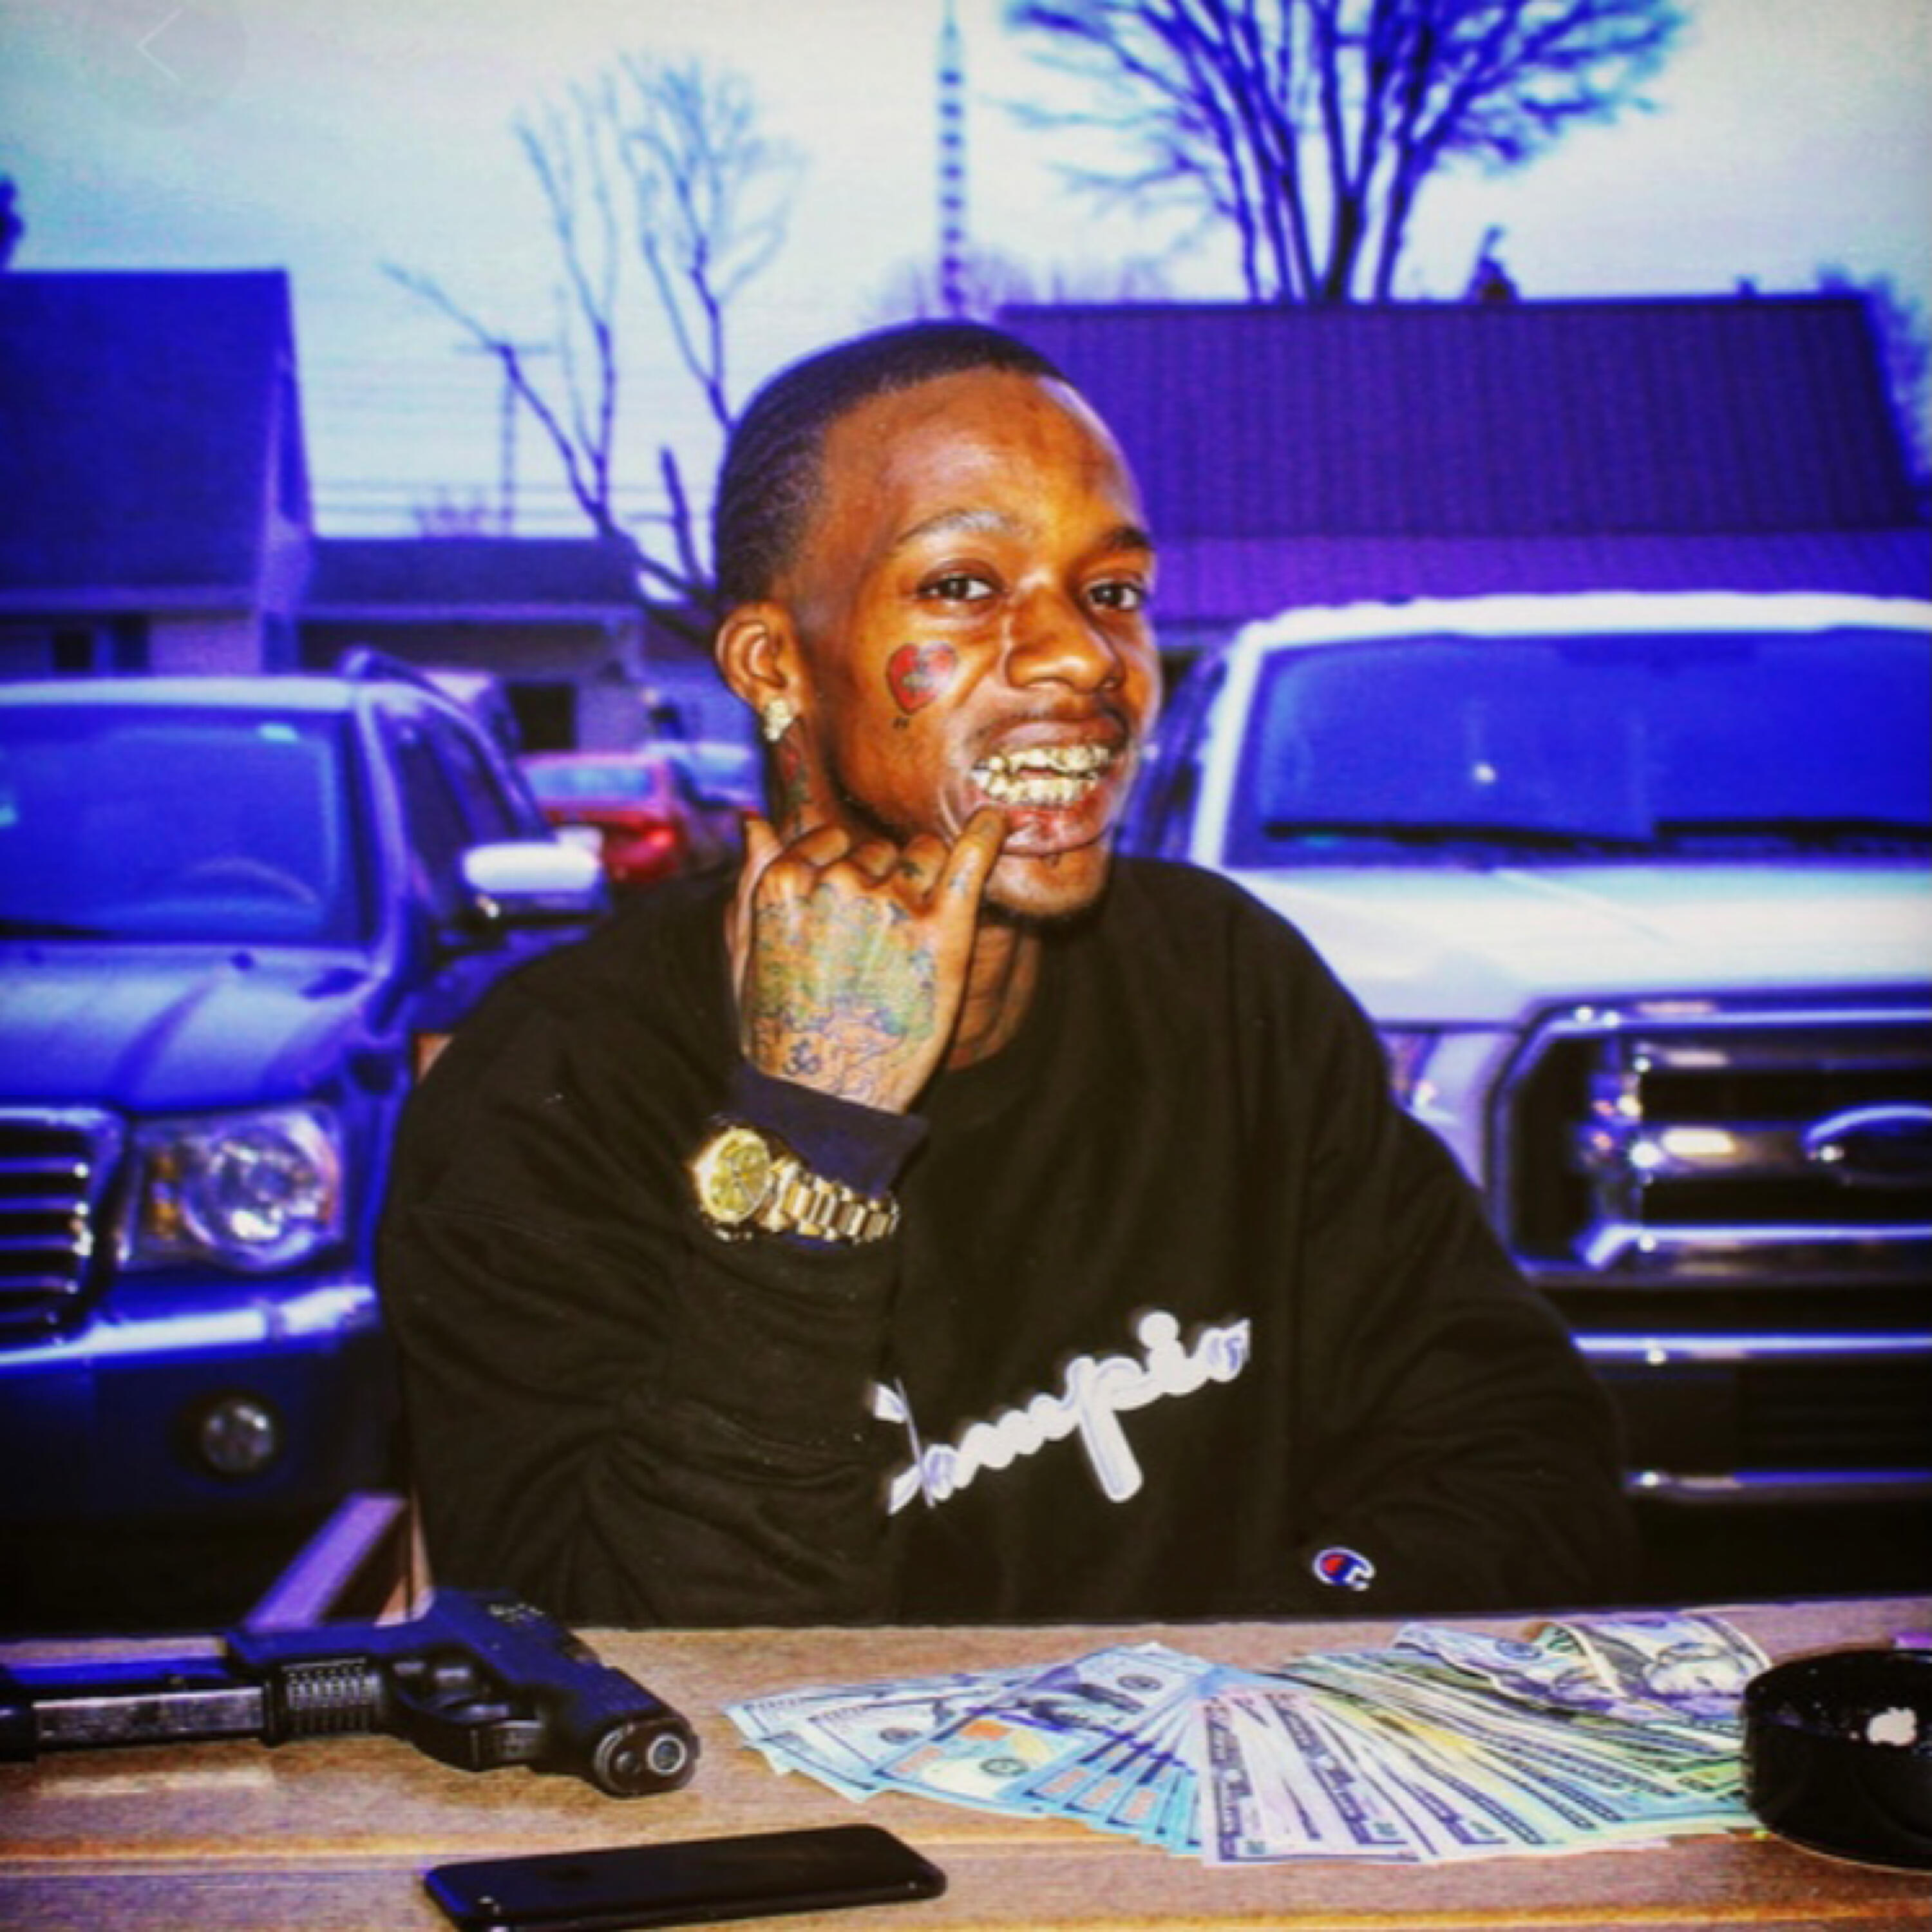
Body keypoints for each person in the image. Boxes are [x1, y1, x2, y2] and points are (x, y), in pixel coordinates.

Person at [378, 320, 1636, 1627]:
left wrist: (1291, 1628)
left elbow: (1520, 1457)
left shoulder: (1227, 987)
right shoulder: (553, 1089)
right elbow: (610, 1663)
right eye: (966, 585)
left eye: (1115, 592)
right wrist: (811, 1140)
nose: (1086, 657)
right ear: (773, 666)